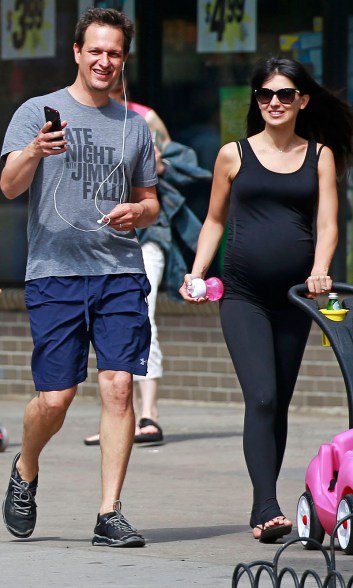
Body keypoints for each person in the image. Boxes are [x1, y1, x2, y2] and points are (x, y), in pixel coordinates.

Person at [1, 7, 160, 547]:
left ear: (123, 59)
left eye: (114, 52)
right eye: (95, 50)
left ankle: (108, 513)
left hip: (118, 270)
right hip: (55, 272)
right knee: (56, 398)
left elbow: (151, 202)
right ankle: (25, 469)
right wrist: (32, 151)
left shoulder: (134, 126)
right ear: (77, 52)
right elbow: (8, 186)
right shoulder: (36, 112)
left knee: (119, 388)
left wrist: (138, 215)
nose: (104, 60)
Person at [179, 57, 353, 543]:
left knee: (278, 403)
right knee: (261, 396)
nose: (273, 102)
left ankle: (268, 500)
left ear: (302, 100)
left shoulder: (320, 156)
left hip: (296, 299)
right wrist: (196, 272)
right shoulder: (233, 154)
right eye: (264, 95)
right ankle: (265, 506)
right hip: (244, 294)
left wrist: (321, 271)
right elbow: (214, 220)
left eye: (283, 94)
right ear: (257, 101)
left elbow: (327, 225)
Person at [84, 81, 170, 446]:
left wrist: (147, 162)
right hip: (100, 242)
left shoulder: (142, 118)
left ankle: (148, 415)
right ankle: (120, 419)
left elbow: (162, 165)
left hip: (145, 237)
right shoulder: (81, 118)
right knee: (105, 328)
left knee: (142, 315)